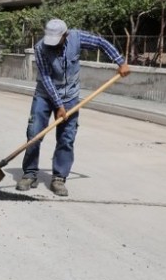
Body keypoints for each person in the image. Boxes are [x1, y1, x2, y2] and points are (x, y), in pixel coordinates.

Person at [18, 18, 130, 196]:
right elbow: (46, 78)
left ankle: (59, 178)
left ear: (65, 35)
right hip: (45, 95)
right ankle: (29, 174)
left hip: (70, 96)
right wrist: (59, 105)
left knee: (66, 138)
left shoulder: (77, 38)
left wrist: (120, 62)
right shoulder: (40, 48)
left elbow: (101, 42)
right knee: (34, 133)